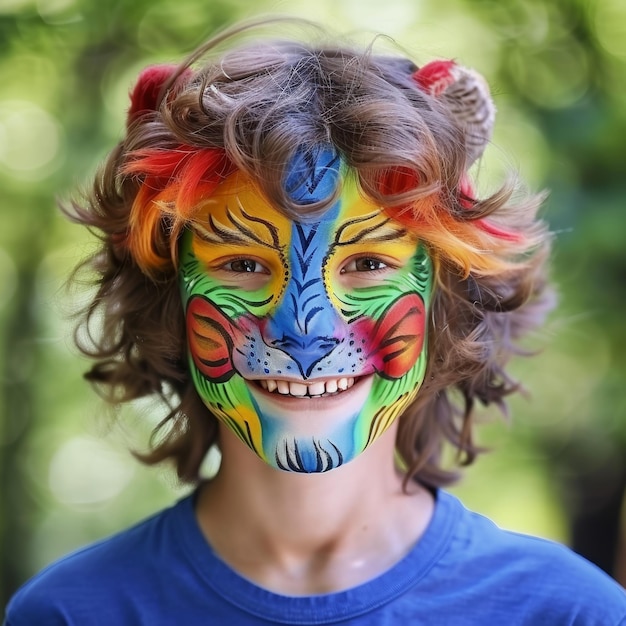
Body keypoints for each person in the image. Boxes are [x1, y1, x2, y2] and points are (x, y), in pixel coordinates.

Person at [5, 16, 626, 626]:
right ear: (169, 297)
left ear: (449, 298)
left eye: (368, 262)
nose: (303, 330)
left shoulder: (566, 613)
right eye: (243, 262)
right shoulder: (69, 613)